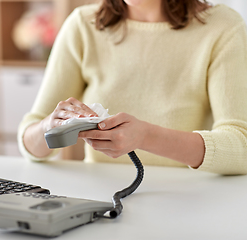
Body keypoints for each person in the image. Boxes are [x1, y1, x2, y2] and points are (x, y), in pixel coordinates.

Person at [17, 0, 247, 175]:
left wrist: (145, 137)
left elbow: (241, 146)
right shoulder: (82, 24)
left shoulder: (222, 27)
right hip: (103, 201)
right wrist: (49, 126)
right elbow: (29, 141)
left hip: (193, 201)